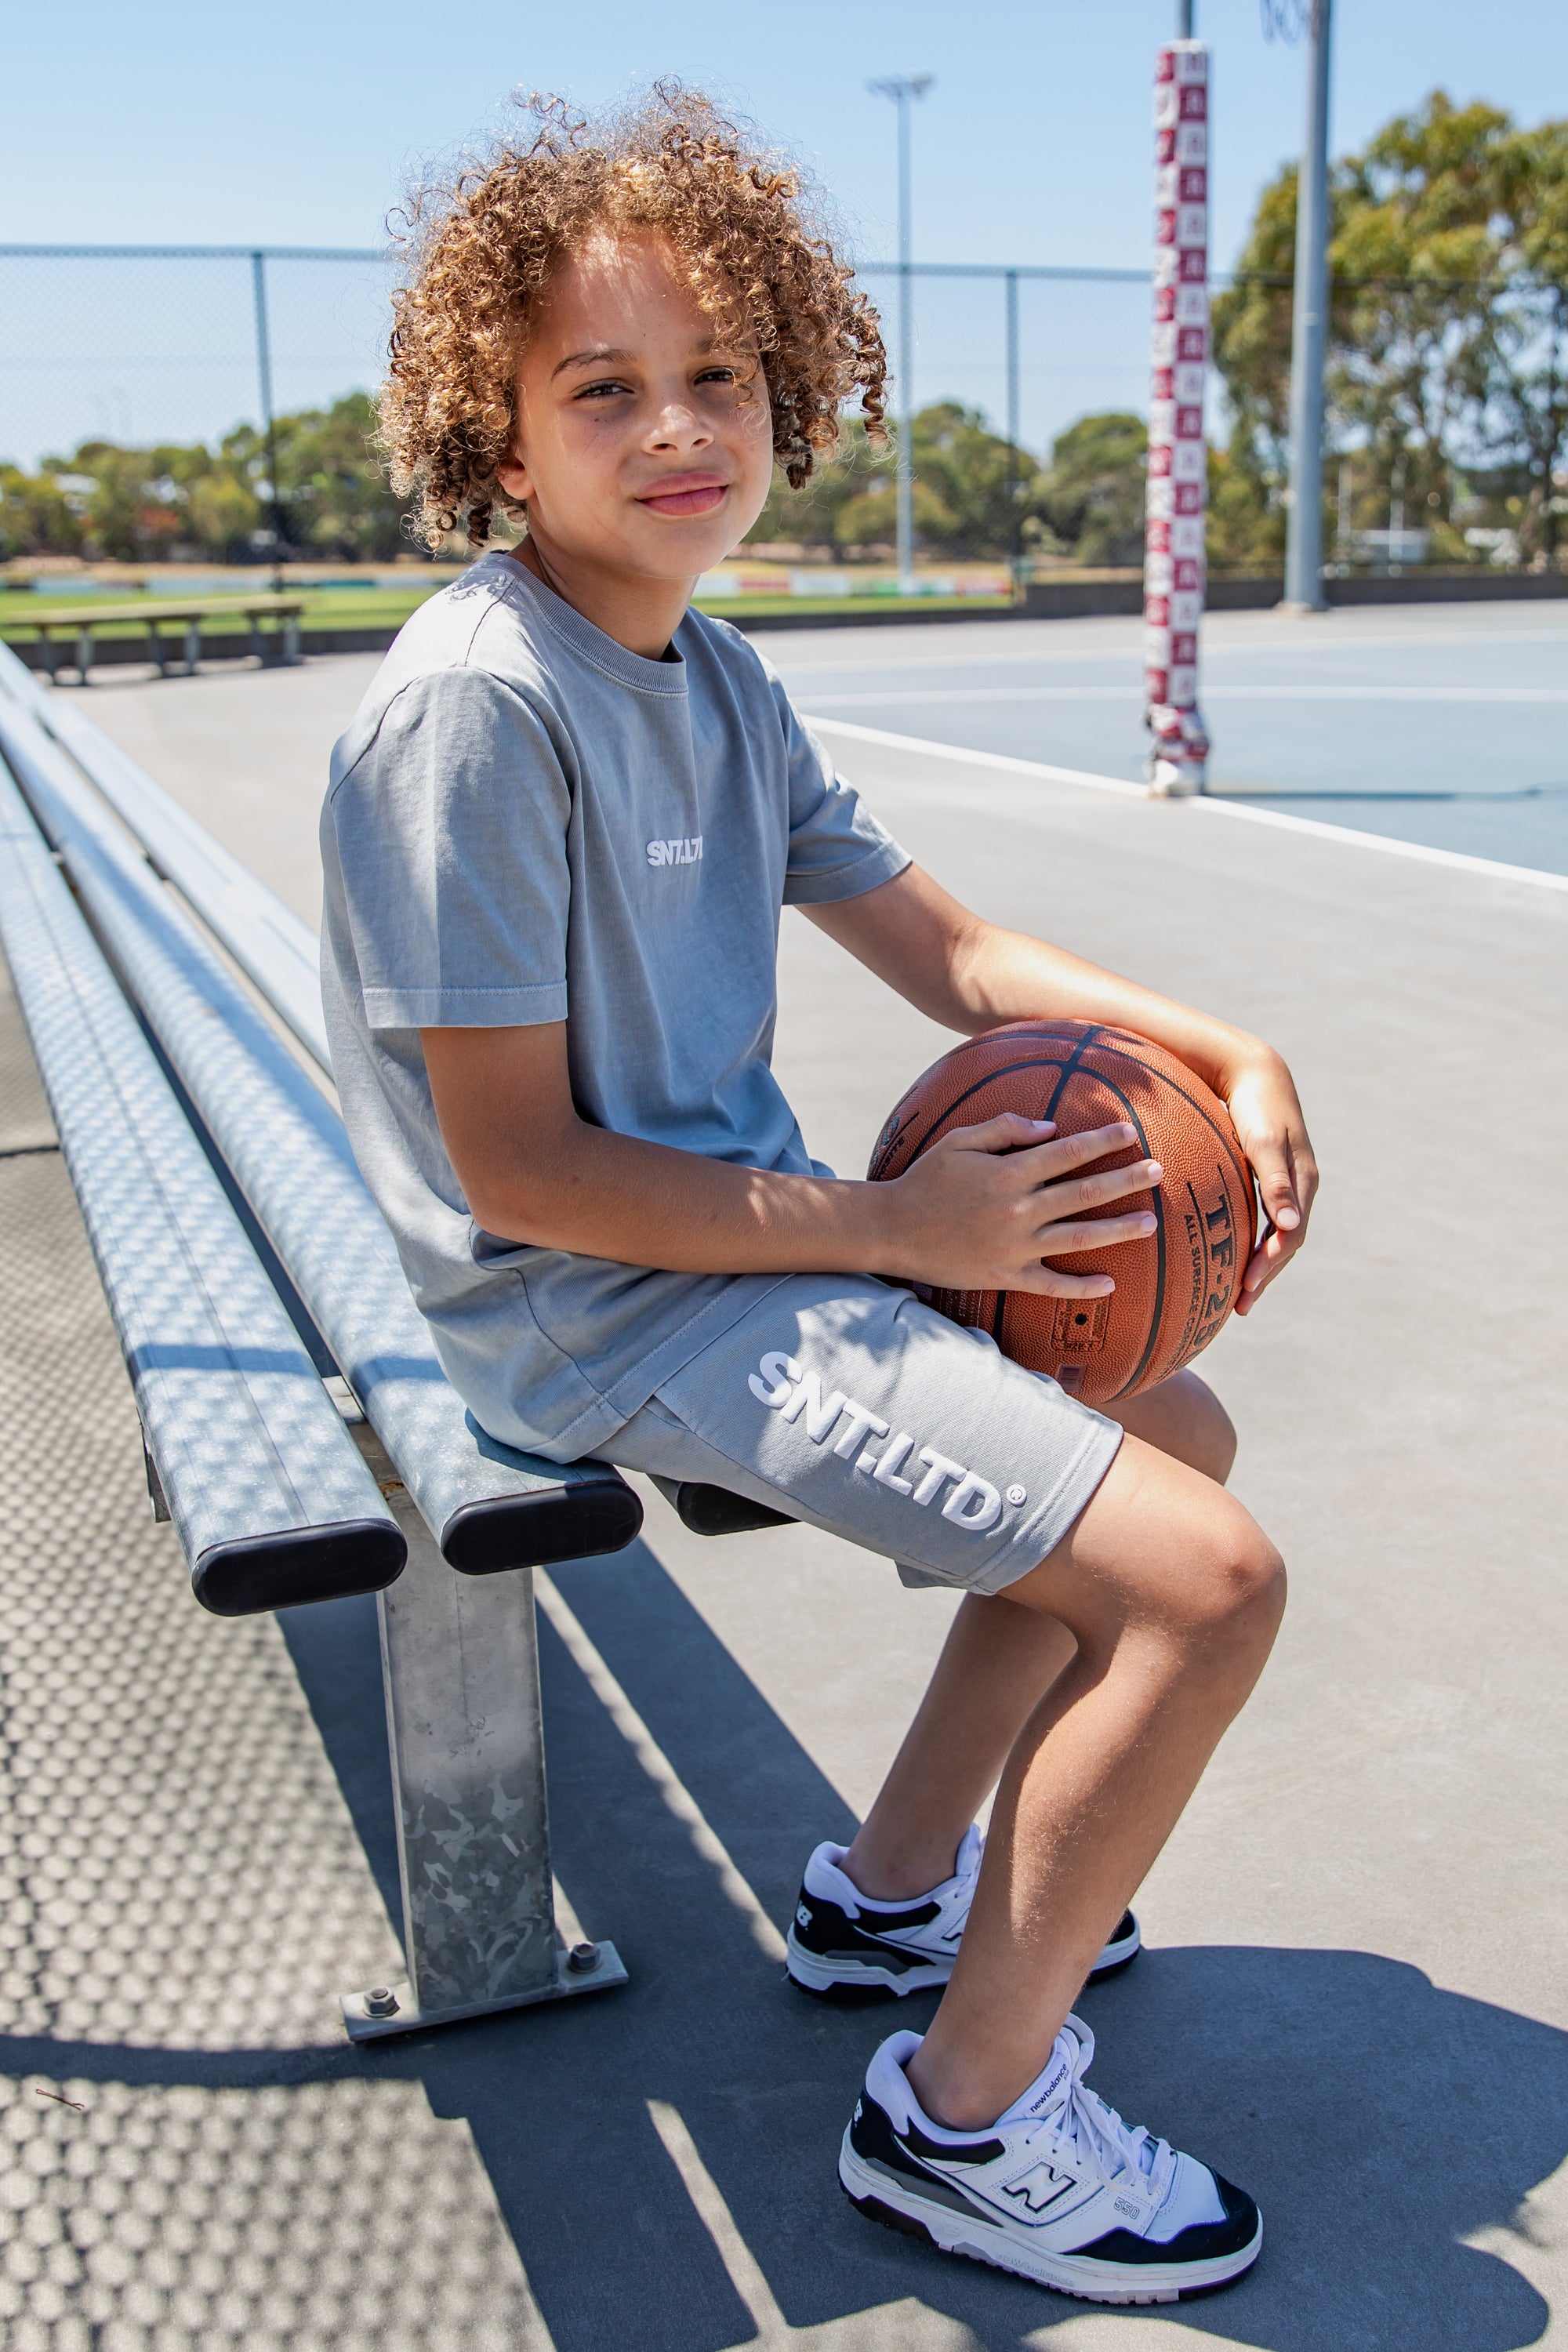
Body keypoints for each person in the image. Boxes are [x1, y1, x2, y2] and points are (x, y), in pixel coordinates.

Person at [321, 89, 1316, 2308]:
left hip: (727, 1252)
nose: (678, 428)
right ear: (498, 444)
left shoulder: (717, 676)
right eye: (605, 391)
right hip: (592, 1306)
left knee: (1174, 1439)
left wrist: (1220, 1045)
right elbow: (522, 1170)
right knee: (1209, 1584)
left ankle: (887, 1888)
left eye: (720, 377)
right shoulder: (480, 712)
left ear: (790, 384)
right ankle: (961, 2124)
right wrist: (905, 1238)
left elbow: (952, 958)